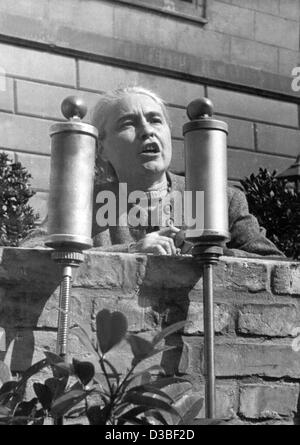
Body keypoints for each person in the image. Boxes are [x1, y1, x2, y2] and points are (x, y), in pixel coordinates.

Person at [22, 86, 283, 258]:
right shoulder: (82, 204)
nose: (148, 130)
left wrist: (210, 251)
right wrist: (130, 250)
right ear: (100, 148)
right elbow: (28, 252)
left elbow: (279, 267)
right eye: (128, 123)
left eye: (156, 120)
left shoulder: (222, 200)